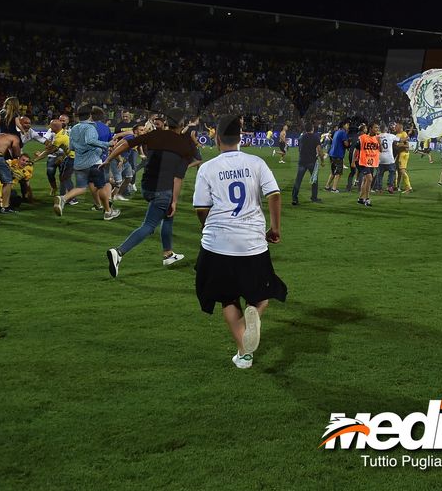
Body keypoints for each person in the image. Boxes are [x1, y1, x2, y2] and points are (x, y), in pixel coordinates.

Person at [192, 116, 285, 370]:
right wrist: (275, 228)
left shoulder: (207, 168)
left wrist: (207, 226)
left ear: (216, 138)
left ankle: (245, 354)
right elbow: (274, 195)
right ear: (241, 138)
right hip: (252, 243)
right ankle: (254, 312)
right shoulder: (256, 163)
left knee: (228, 299)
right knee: (263, 294)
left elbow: (201, 208)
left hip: (217, 245)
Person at [103, 109, 197, 276]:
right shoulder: (184, 145)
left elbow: (126, 143)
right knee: (149, 225)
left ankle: (168, 254)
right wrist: (174, 201)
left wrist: (109, 159)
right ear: (182, 124)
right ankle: (119, 252)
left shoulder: (155, 135)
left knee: (168, 217)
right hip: (163, 190)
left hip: (147, 186)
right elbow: (178, 178)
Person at [54, 106, 120, 220]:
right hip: (94, 162)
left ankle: (63, 198)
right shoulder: (90, 127)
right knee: (102, 187)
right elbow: (90, 141)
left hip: (79, 164)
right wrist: (107, 144)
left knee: (81, 187)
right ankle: (108, 212)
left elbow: (71, 147)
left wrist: (82, 148)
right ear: (90, 115)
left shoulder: (74, 128)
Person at [291, 123, 324, 205]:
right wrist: (322, 161)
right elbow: (319, 150)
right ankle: (314, 197)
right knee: (314, 180)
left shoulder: (302, 137)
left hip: (302, 161)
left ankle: (294, 198)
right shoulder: (315, 137)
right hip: (312, 161)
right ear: (312, 128)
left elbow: (300, 148)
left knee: (298, 180)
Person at [356, 123, 381, 207]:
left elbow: (380, 150)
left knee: (365, 180)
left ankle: (360, 199)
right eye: (375, 127)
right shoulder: (363, 137)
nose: (377, 129)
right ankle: (367, 199)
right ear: (370, 128)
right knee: (369, 178)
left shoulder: (377, 138)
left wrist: (379, 141)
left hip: (371, 162)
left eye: (378, 127)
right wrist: (353, 160)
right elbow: (357, 148)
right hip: (363, 161)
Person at [324, 120, 349, 193]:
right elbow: (346, 144)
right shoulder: (343, 132)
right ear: (344, 125)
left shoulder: (337, 131)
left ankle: (327, 186)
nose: (348, 126)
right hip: (338, 154)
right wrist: (349, 142)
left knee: (333, 172)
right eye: (347, 124)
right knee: (338, 172)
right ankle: (334, 188)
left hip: (332, 154)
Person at [374, 126, 398, 193]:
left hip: (380, 158)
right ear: (386, 129)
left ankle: (379, 188)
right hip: (389, 158)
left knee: (379, 174)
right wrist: (407, 137)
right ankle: (390, 186)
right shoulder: (391, 136)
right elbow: (400, 139)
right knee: (392, 172)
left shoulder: (377, 137)